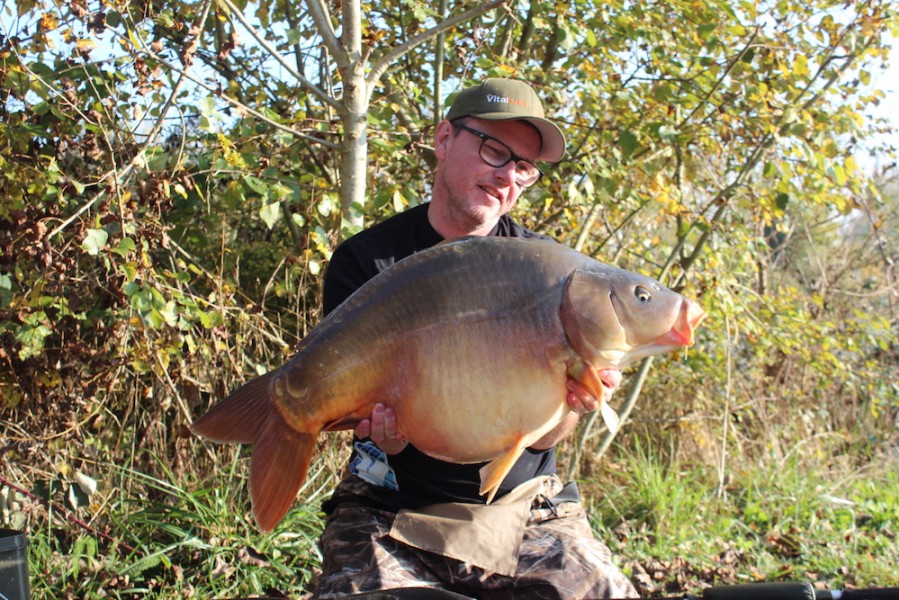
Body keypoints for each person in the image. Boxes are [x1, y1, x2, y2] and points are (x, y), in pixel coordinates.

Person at [313, 78, 638, 599]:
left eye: (525, 167)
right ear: (444, 140)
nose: (507, 175)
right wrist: (380, 431)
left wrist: (576, 400)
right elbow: (366, 424)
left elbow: (545, 438)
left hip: (523, 508)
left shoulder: (551, 274)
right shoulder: (366, 262)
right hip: (389, 505)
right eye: (494, 150)